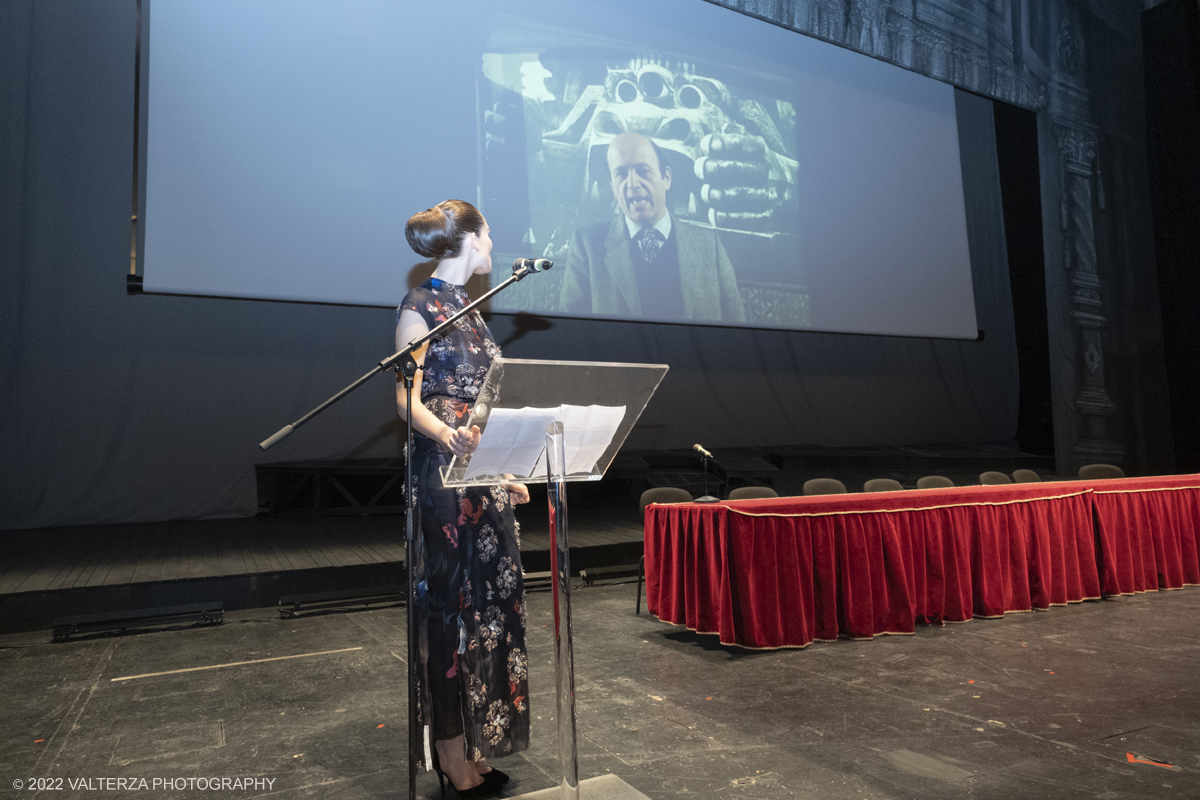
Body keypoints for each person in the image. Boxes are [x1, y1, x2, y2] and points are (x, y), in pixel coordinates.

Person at [396, 199, 530, 798]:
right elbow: (405, 401)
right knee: (449, 610)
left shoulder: (474, 316)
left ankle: (479, 744)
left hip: (480, 474)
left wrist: (502, 471)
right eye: (490, 235)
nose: (495, 246)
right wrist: (446, 434)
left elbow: (484, 409)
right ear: (470, 239)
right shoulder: (418, 306)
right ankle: (450, 756)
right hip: (442, 476)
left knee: (492, 607)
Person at [558, 132, 746, 323]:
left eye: (643, 171)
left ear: (666, 177)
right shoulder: (587, 246)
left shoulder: (708, 245)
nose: (632, 184)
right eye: (621, 174)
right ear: (612, 186)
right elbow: (571, 334)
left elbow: (737, 329)